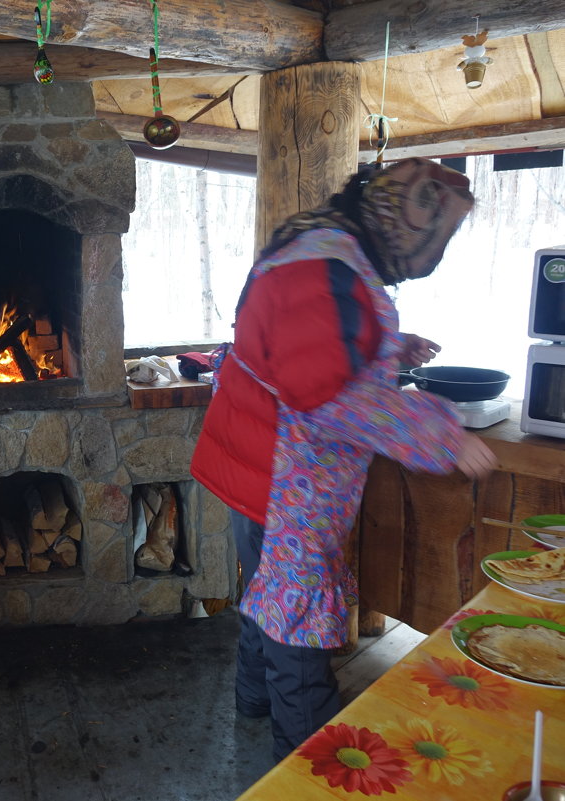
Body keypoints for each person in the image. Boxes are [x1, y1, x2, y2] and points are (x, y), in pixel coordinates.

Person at [189, 157, 497, 763]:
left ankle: (254, 704)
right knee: (297, 615)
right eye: (437, 237)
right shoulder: (322, 264)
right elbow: (325, 397)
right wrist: (440, 432)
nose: (437, 251)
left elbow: (315, 344)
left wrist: (388, 345)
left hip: (265, 462)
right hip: (284, 475)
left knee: (270, 594)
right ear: (401, 223)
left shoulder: (328, 242)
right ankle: (312, 767)